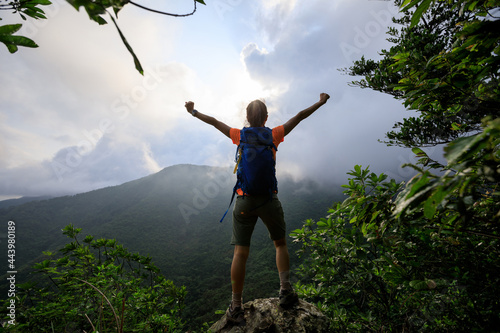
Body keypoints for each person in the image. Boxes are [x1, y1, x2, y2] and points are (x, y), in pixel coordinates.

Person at [184, 93, 330, 323]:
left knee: (240, 253)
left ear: (246, 118)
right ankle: (285, 291)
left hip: (244, 201)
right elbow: (300, 116)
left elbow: (213, 121)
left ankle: (235, 306)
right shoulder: (275, 134)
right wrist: (321, 102)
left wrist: (193, 111)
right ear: (266, 117)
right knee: (280, 244)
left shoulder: (239, 135)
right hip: (269, 200)